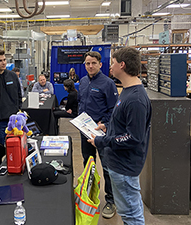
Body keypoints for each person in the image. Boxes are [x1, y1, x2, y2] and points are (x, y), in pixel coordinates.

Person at [89, 47, 152, 224]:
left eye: (113, 63)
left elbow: (133, 137)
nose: (110, 67)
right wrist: (107, 127)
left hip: (125, 166)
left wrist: (102, 141)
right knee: (130, 209)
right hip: (120, 163)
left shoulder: (136, 99)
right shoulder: (127, 91)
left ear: (122, 65)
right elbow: (123, 125)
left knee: (132, 215)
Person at [78, 51, 118, 219]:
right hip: (84, 130)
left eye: (93, 63)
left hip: (101, 133)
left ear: (100, 64)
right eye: (87, 63)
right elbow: (82, 103)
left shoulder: (108, 84)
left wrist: (105, 125)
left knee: (107, 167)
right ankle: (89, 194)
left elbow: (114, 109)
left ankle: (110, 200)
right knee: (88, 164)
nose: (90, 66)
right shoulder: (83, 81)